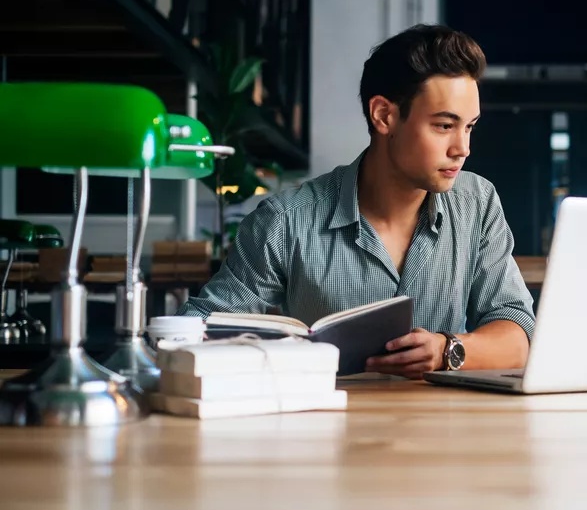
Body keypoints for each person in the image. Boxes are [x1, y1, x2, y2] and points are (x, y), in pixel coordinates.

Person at [177, 24, 536, 379]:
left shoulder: (478, 203)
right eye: (444, 126)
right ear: (384, 115)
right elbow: (199, 331)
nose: (463, 148)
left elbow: (519, 334)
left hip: (443, 429)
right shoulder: (286, 221)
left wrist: (447, 350)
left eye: (469, 126)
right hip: (327, 425)